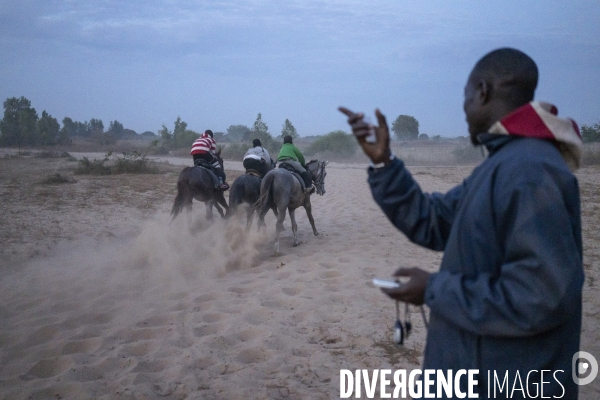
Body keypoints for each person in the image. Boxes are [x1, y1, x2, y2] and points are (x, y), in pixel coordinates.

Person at [340, 48, 584, 398]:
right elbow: (433, 220)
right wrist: (385, 164)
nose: (465, 108)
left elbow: (541, 296)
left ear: (483, 91)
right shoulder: (503, 166)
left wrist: (435, 289)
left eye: (466, 96)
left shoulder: (529, 171)